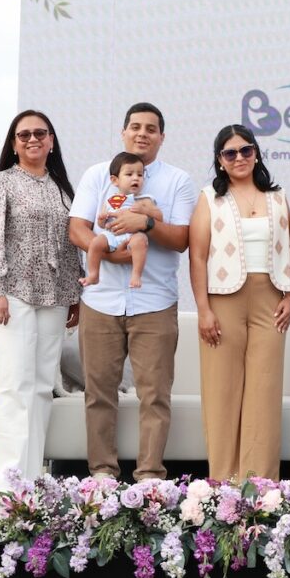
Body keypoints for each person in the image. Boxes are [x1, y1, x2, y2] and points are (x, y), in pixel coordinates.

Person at [69, 103, 197, 482]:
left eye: (151, 129)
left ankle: (150, 477)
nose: (142, 134)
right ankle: (102, 475)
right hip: (101, 300)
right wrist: (109, 254)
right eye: (135, 127)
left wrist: (146, 223)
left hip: (155, 302)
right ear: (123, 132)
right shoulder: (98, 175)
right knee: (98, 393)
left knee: (155, 395)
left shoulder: (177, 181)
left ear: (162, 137)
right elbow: (77, 228)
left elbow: (181, 239)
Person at [0, 110, 81, 492]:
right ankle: (8, 489)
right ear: (14, 143)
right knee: (15, 386)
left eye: (40, 133)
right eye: (24, 135)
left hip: (55, 296)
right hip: (13, 294)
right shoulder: (0, 183)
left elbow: (72, 244)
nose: (33, 139)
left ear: (51, 141)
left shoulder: (63, 189)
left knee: (40, 388)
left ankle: (32, 485)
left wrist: (75, 295)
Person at [189, 124, 290, 482]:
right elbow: (197, 256)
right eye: (230, 153)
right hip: (223, 300)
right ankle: (223, 482)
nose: (239, 158)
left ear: (256, 154)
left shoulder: (278, 197)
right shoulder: (209, 198)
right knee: (222, 390)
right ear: (220, 160)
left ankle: (260, 484)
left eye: (246, 150)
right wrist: (203, 309)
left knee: (264, 390)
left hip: (271, 299)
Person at [79, 152, 161, 289]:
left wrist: (145, 210)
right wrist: (101, 220)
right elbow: (103, 225)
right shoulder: (111, 200)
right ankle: (93, 274)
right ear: (115, 180)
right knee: (95, 242)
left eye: (140, 175)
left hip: (133, 235)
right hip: (113, 234)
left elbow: (159, 217)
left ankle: (136, 275)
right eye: (129, 174)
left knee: (140, 241)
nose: (135, 178)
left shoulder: (144, 199)